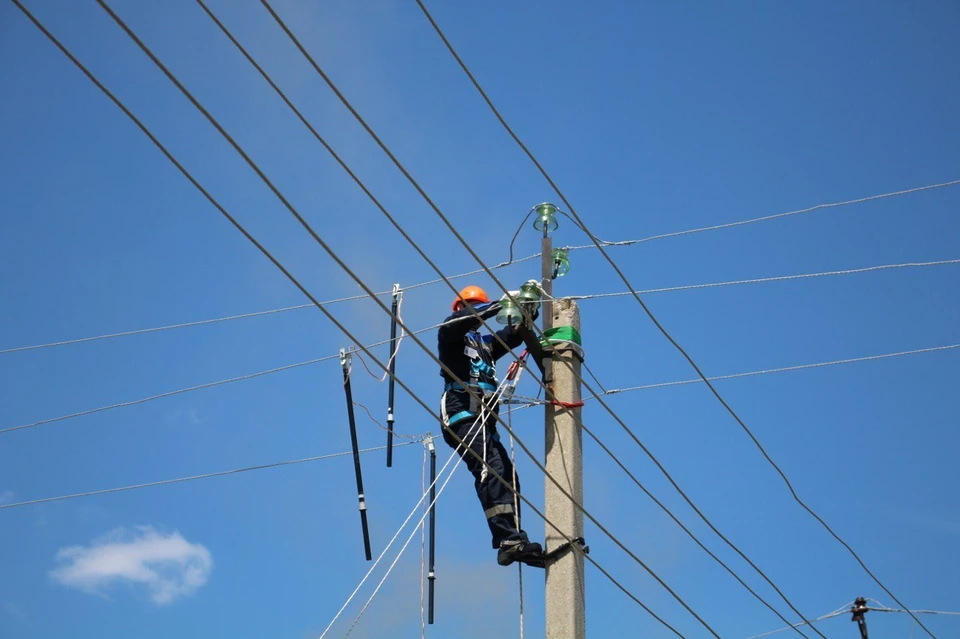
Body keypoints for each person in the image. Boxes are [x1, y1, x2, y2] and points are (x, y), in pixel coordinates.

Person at [437, 284, 544, 567]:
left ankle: (515, 539)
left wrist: (527, 308)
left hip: (485, 421)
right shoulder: (449, 338)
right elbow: (458, 324)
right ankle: (507, 540)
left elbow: (512, 334)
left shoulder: (484, 345)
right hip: (462, 415)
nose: (472, 311)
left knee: (507, 474)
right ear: (459, 308)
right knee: (491, 470)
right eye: (469, 307)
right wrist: (498, 305)